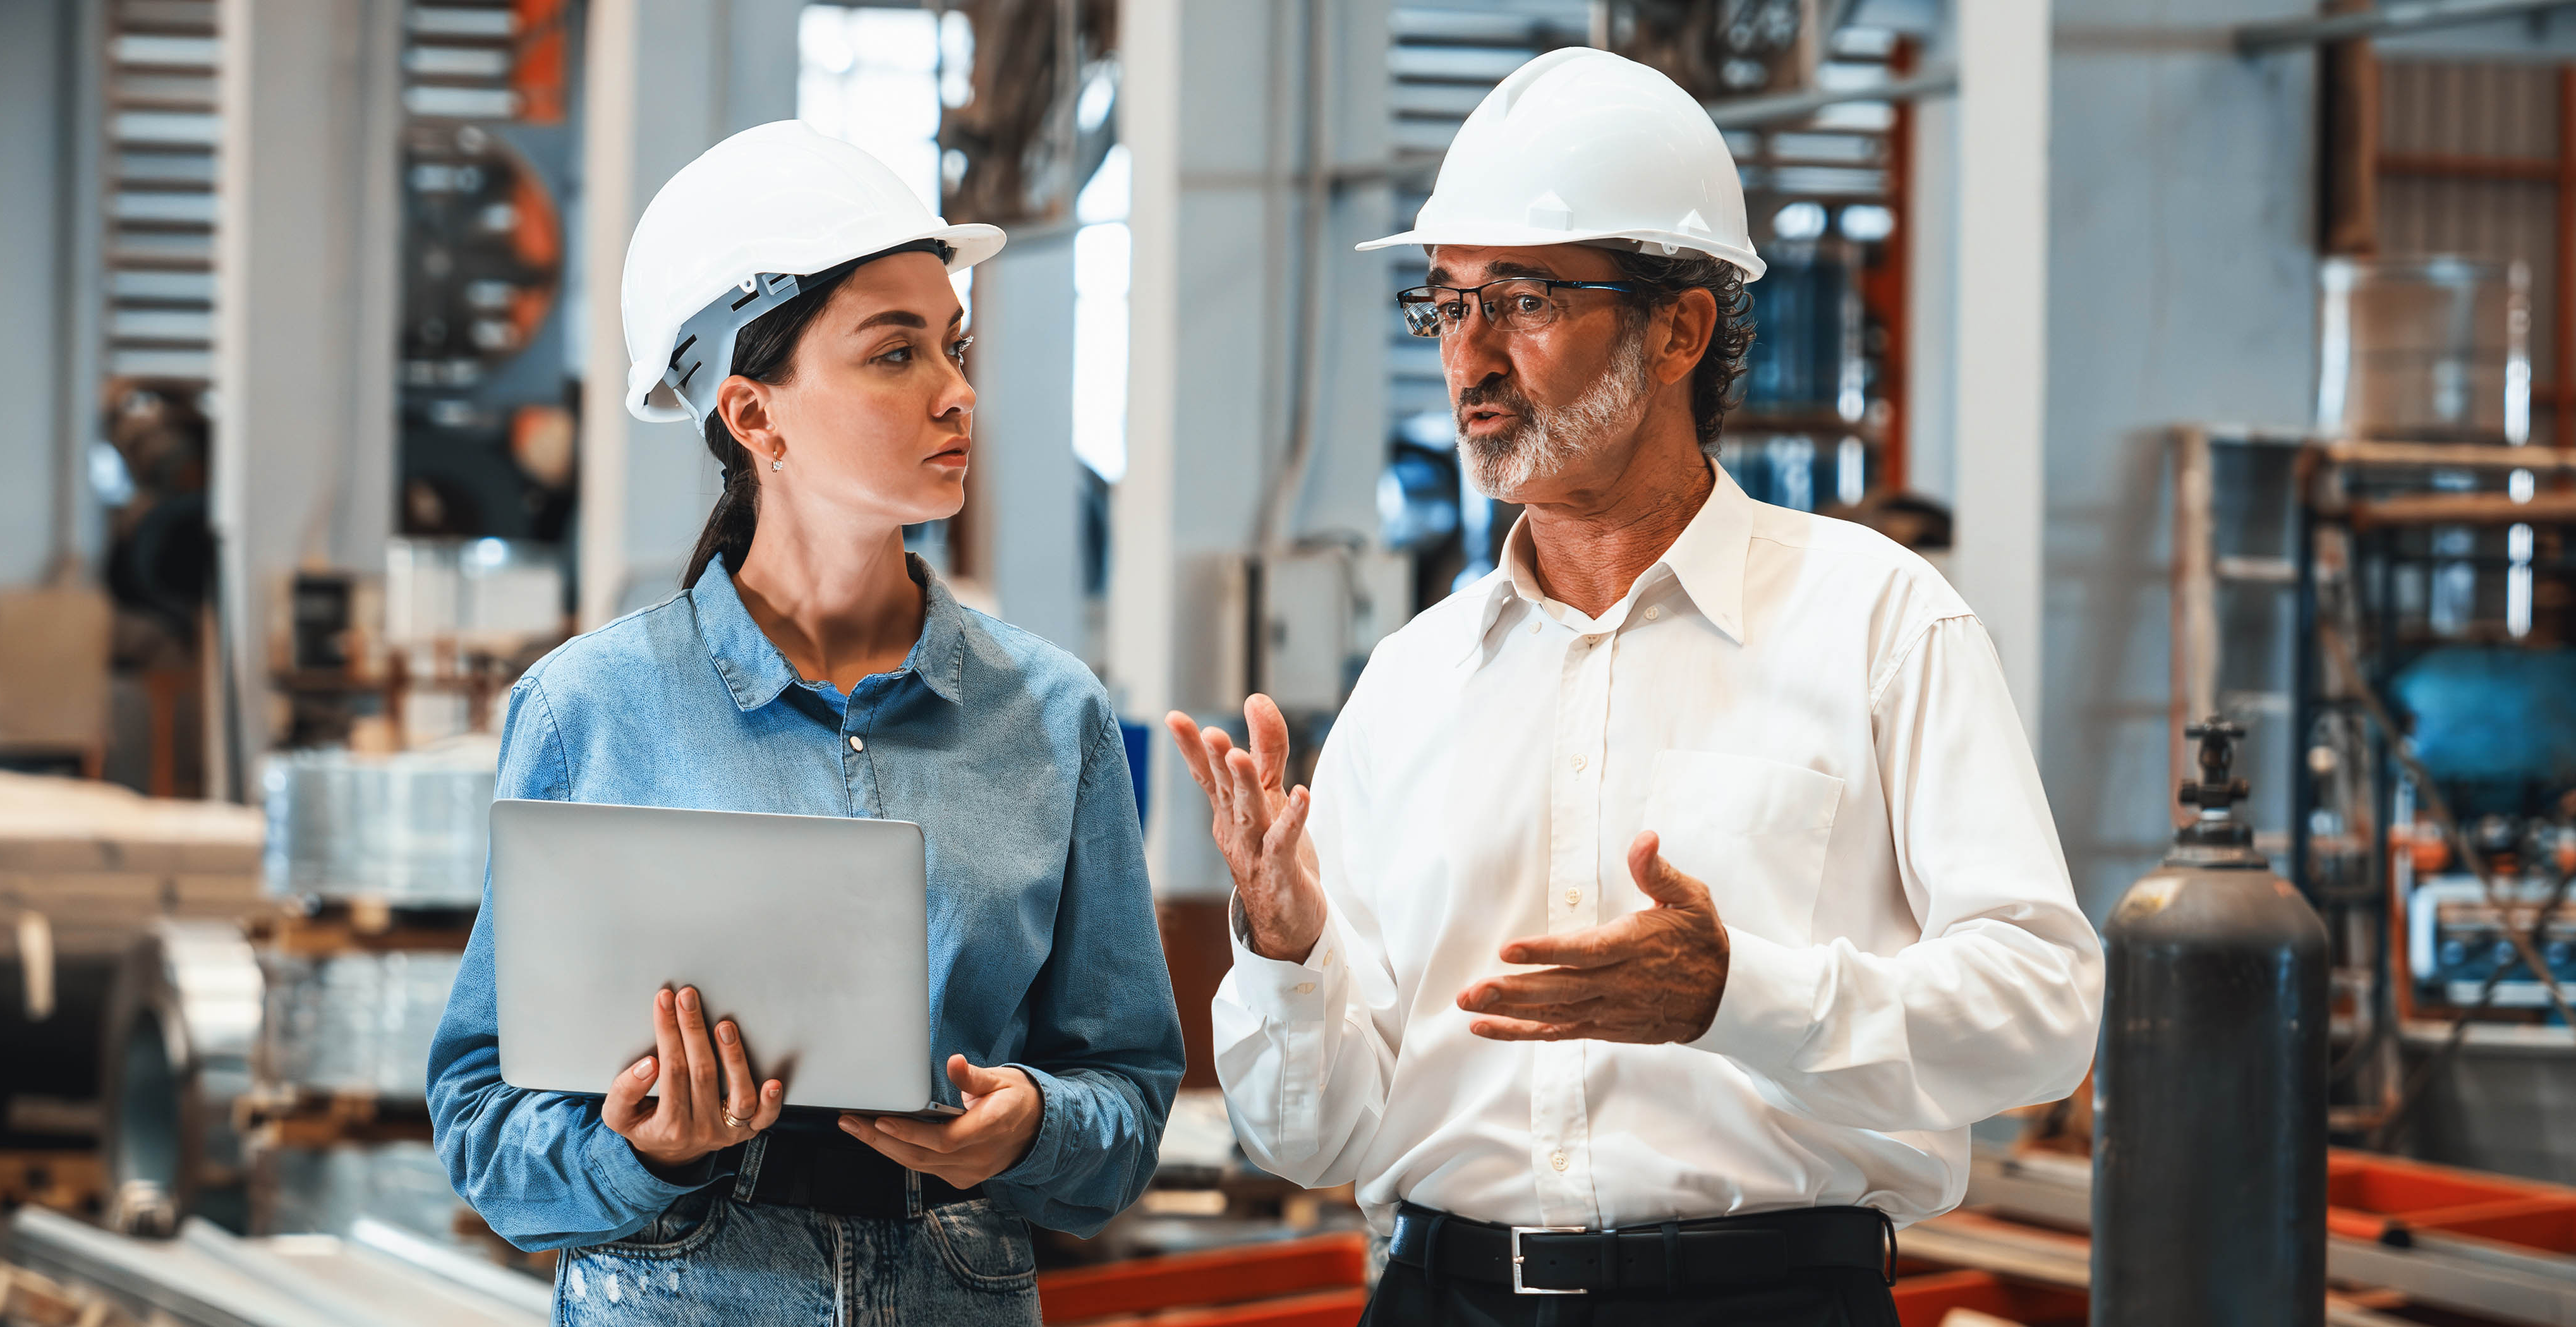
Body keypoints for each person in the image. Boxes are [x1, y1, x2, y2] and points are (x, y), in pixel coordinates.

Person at [1167, 50, 2103, 1326]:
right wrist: (1284, 952)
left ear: (1680, 327)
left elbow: (2043, 1011)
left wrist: (1739, 997)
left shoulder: (1880, 623)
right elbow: (1311, 1140)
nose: (1471, 359)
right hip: (1446, 1299)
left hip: (1765, 1301)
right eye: (1446, 305)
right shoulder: (1412, 683)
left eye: (1525, 300)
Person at [428, 121, 1185, 1325]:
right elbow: (484, 1130)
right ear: (753, 414)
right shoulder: (592, 713)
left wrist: (1031, 1127)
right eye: (895, 355)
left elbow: (1129, 1098)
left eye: (952, 343)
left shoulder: (1051, 717)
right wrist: (645, 1151)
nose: (957, 392)